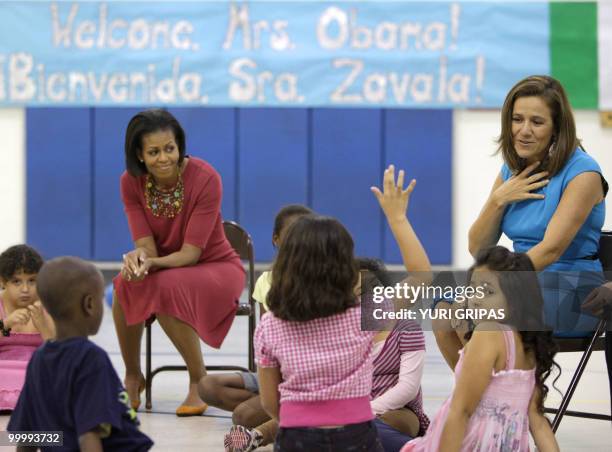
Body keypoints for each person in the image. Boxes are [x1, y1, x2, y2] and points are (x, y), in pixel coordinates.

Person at [436, 75, 608, 369]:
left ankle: (505, 401)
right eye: (517, 119)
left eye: (537, 122)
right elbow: (478, 248)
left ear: (557, 128)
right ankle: (487, 404)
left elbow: (550, 250)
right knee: (442, 310)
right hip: (524, 282)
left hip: (572, 290)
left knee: (484, 312)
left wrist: (499, 287)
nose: (524, 131)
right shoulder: (511, 170)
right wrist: (497, 199)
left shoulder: (584, 173)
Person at [253, 165, 427, 452]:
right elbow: (421, 276)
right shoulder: (362, 314)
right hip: (357, 432)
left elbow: (270, 402)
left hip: (296, 434)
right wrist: (397, 218)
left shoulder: (270, 324)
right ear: (344, 265)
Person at [112, 109, 245, 415]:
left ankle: (199, 380)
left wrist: (151, 264)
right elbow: (145, 246)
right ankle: (133, 375)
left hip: (215, 268)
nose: (164, 158)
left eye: (169, 149)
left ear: (179, 145)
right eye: (154, 152)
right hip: (167, 267)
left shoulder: (205, 176)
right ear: (139, 154)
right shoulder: (130, 182)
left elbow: (190, 255)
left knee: (164, 286)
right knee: (123, 282)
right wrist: (138, 260)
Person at [402, 247, 560, 452]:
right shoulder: (527, 345)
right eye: (472, 289)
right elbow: (538, 422)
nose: (475, 299)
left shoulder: (488, 333)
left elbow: (461, 411)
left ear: (515, 299)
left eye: (488, 291)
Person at [7, 257, 154, 451]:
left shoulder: (39, 359)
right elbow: (89, 435)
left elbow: (27, 436)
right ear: (89, 304)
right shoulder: (91, 358)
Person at [199, 204, 313, 452]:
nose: (298, 240)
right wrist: (272, 383)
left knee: (243, 416)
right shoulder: (266, 281)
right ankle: (276, 406)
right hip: (277, 372)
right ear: (276, 239)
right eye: (292, 233)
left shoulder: (324, 279)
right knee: (207, 387)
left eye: (305, 233)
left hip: (308, 376)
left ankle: (274, 415)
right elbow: (266, 341)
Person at [0, 245, 54, 411]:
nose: (25, 289)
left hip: (36, 369)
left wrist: (43, 326)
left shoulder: (48, 304)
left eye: (32, 281)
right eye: (17, 281)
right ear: (3, 282)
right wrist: (5, 325)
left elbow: (61, 351)